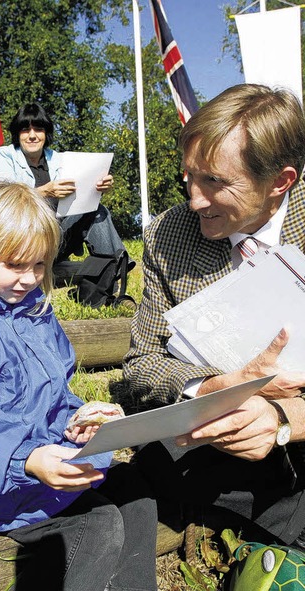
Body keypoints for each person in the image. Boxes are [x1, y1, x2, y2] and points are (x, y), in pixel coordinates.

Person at [0, 181, 157, 591]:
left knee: (138, 491)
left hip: (43, 459)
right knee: (97, 526)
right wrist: (24, 461)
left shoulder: (34, 315)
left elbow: (53, 397)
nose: (29, 279)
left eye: (40, 266)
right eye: (14, 265)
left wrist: (76, 421)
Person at [123, 83, 305, 545]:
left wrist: (285, 419)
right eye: (189, 176)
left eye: (215, 182)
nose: (195, 200)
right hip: (206, 438)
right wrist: (211, 386)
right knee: (158, 460)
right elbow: (141, 367)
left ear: (280, 181)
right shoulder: (170, 233)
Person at [0, 103, 126, 262]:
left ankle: (115, 265)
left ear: (46, 133)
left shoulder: (59, 158)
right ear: (17, 134)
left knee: (98, 211)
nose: (32, 135)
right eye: (25, 130)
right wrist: (43, 192)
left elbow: (79, 195)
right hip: (21, 238)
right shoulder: (5, 156)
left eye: (38, 129)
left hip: (57, 236)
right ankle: (112, 268)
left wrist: (98, 187)